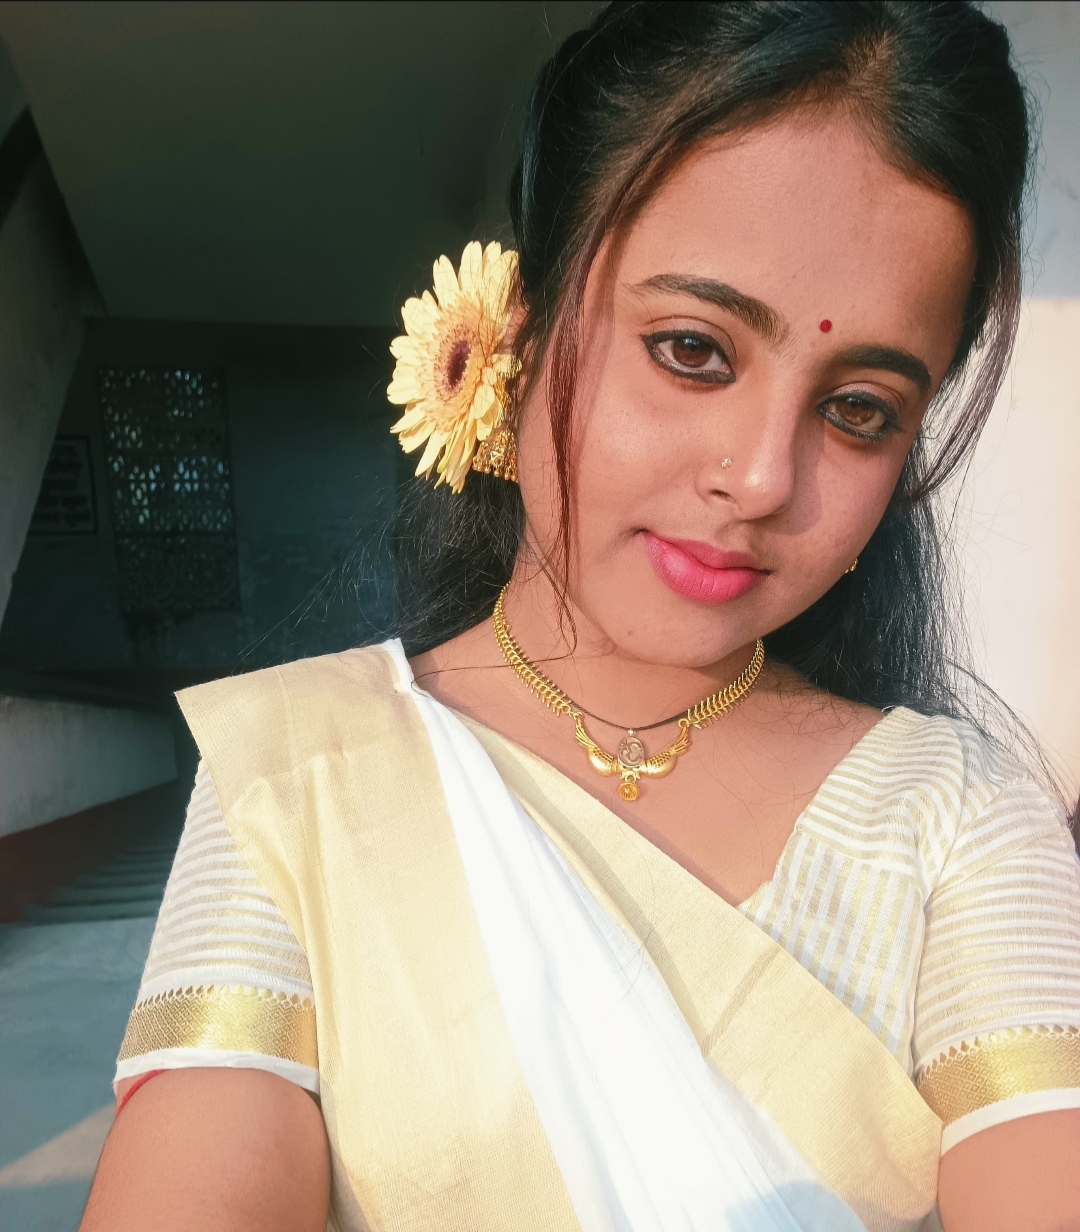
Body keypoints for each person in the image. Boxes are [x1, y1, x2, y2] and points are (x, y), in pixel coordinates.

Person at [81, 4, 1080, 1231]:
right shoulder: (304, 778)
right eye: (692, 349)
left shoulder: (958, 819)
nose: (761, 476)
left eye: (859, 409)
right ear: (513, 328)